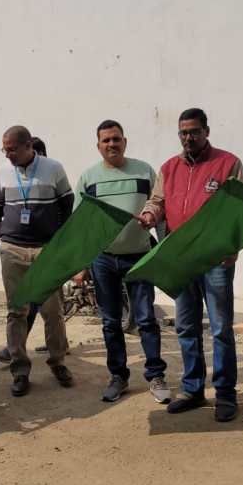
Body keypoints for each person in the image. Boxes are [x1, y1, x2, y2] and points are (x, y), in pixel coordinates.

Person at [137, 108, 243, 421]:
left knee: (221, 328)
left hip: (215, 259)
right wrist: (150, 215)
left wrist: (233, 245)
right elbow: (157, 201)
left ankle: (225, 394)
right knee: (186, 326)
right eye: (183, 133)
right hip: (181, 258)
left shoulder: (228, 163)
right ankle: (193, 389)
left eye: (194, 132)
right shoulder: (169, 168)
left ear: (206, 131)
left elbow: (242, 207)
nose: (188, 138)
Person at [0, 125, 75, 396]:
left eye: (12, 149)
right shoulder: (2, 172)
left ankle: (58, 362)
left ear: (29, 145)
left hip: (46, 251)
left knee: (52, 311)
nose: (8, 155)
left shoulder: (54, 168)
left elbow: (67, 205)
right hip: (13, 250)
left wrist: (61, 242)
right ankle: (19, 370)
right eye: (4, 150)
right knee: (16, 311)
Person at [79, 119, 170, 404]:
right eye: (106, 140)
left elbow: (160, 210)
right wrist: (82, 264)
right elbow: (80, 224)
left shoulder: (144, 171)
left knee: (146, 320)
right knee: (110, 322)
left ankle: (156, 375)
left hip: (140, 256)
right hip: (103, 260)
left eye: (116, 139)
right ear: (98, 146)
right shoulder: (88, 177)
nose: (112, 144)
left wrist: (164, 249)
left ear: (125, 142)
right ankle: (118, 376)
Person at [0, 137, 48, 363]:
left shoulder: (49, 179)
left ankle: (55, 349)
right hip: (21, 251)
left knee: (46, 307)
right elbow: (9, 214)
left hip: (45, 251)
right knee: (29, 305)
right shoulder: (14, 178)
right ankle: (16, 349)